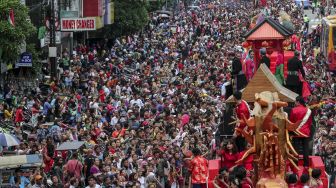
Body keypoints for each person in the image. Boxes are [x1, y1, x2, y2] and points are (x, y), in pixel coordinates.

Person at [289, 96, 313, 168]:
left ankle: (295, 164)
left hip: (296, 132)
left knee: (295, 149)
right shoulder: (308, 110)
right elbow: (310, 122)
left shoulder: (293, 110)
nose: (295, 103)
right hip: (305, 132)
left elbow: (292, 121)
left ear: (298, 102)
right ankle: (306, 165)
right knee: (306, 148)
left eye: (295, 101)